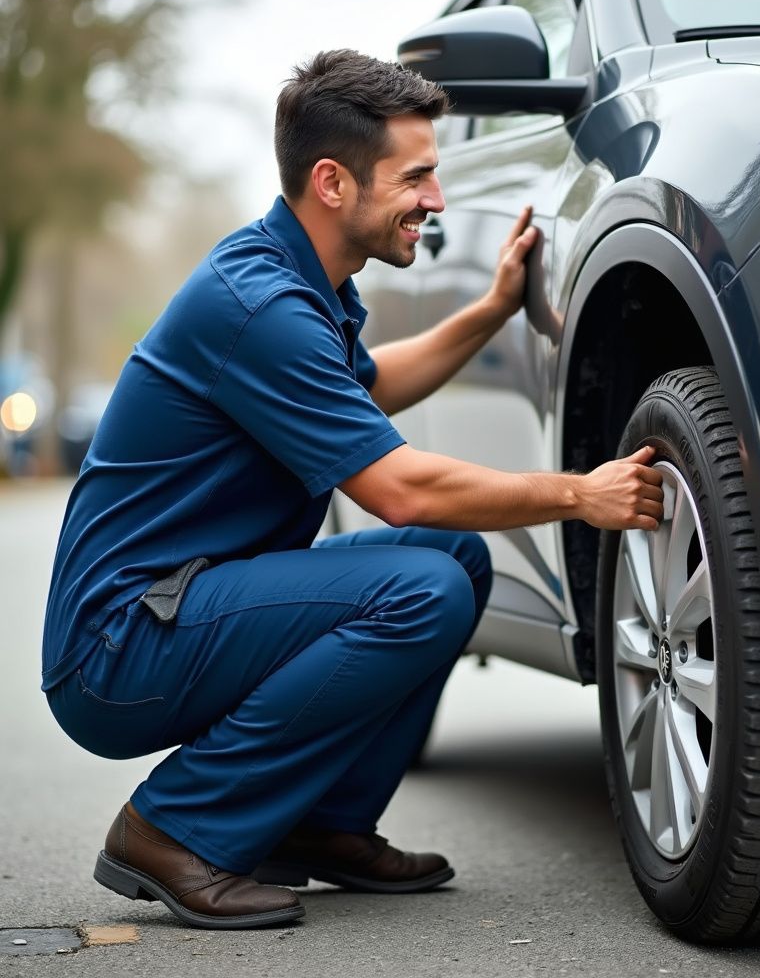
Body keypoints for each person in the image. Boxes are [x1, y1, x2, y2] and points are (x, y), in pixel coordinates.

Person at [41, 49, 664, 931]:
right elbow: (401, 489)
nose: (436, 202)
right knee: (421, 583)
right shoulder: (261, 305)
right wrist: (576, 493)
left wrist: (486, 312)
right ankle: (173, 828)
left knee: (453, 559)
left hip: (175, 610)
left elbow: (364, 392)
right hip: (121, 645)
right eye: (416, 177)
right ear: (332, 182)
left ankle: (323, 825)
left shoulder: (293, 283)